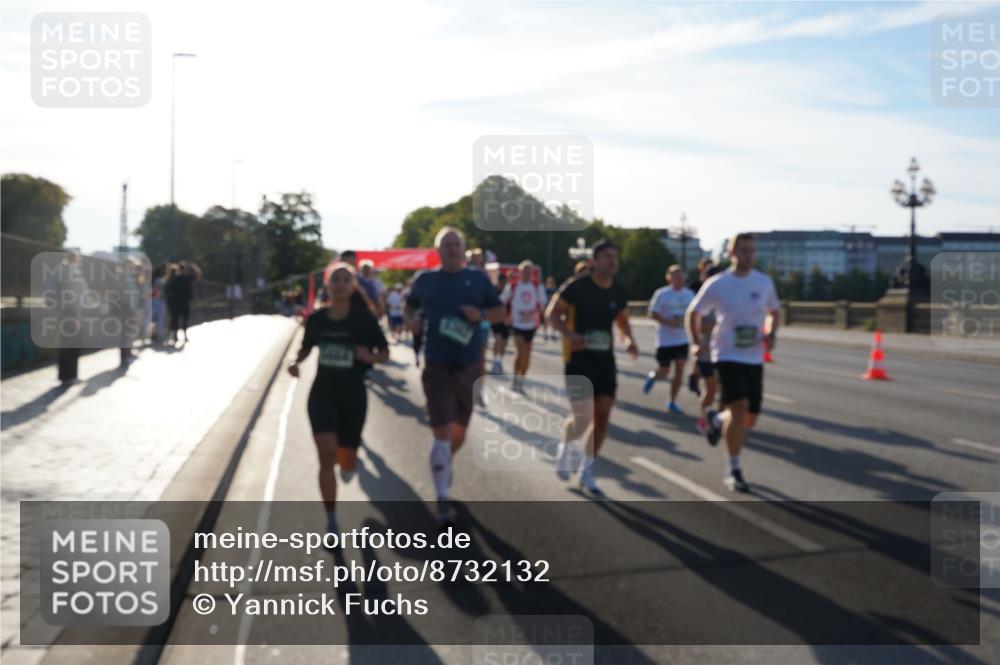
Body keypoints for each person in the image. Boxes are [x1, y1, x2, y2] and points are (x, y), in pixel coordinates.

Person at [405, 227, 504, 524]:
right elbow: (409, 306)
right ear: (438, 251)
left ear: (462, 250)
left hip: (469, 367)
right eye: (446, 245)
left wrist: (481, 316)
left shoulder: (478, 279)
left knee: (459, 432)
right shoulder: (425, 280)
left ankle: (444, 462)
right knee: (443, 432)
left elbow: (500, 313)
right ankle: (442, 497)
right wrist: (412, 321)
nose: (451, 249)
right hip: (437, 367)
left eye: (456, 244)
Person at [288, 262, 389, 536]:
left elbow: (384, 352)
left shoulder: (363, 320)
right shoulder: (317, 319)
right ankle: (331, 520)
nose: (340, 284)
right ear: (328, 285)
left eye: (346, 279)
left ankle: (349, 464)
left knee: (345, 461)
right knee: (326, 457)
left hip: (353, 397)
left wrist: (369, 357)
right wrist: (295, 362)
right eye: (335, 279)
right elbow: (305, 348)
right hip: (322, 395)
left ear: (352, 285)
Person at [686, 233, 780, 493]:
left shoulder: (763, 282)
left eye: (752, 250)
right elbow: (693, 312)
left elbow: (774, 311)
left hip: (754, 355)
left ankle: (717, 420)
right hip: (726, 354)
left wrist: (771, 333)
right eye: (744, 250)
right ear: (732, 254)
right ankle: (734, 469)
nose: (749, 255)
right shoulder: (718, 284)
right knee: (738, 409)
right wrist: (695, 342)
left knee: (750, 417)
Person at [546, 240, 638, 498]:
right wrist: (568, 335)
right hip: (579, 360)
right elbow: (552, 314)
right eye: (606, 256)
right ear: (594, 261)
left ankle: (586, 471)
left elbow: (622, 321)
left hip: (605, 361)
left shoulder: (618, 291)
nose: (612, 261)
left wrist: (629, 340)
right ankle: (565, 446)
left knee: (603, 415)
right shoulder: (577, 287)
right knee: (582, 417)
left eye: (615, 256)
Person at [642, 265, 695, 414]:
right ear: (669, 278)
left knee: (680, 370)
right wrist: (669, 322)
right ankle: (653, 377)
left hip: (682, 340)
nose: (679, 278)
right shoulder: (662, 294)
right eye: (675, 276)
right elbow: (652, 314)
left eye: (681, 276)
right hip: (665, 340)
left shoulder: (689, 294)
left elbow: (695, 313)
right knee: (665, 371)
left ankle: (672, 401)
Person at [502, 260, 547, 392]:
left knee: (526, 356)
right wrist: (504, 316)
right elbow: (502, 300)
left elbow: (543, 303)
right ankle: (516, 378)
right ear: (520, 272)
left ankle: (521, 380)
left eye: (529, 271)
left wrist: (540, 316)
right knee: (521, 352)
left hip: (531, 326)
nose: (527, 273)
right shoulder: (513, 286)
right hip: (517, 324)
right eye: (525, 271)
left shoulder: (537, 286)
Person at [693, 265, 723, 433]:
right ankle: (703, 419)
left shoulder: (728, 299)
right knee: (711, 390)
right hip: (705, 352)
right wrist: (720, 323)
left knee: (723, 391)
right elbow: (697, 325)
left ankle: (717, 421)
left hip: (724, 352)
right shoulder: (702, 300)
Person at [687, 257, 716, 395]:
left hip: (715, 328)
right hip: (701, 325)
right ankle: (695, 378)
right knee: (701, 355)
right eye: (708, 268)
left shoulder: (718, 285)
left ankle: (700, 381)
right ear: (701, 269)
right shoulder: (694, 287)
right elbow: (691, 312)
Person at [165, 261, 201, 343]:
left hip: (176, 302)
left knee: (176, 319)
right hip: (183, 302)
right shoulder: (186, 278)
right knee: (184, 319)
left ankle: (176, 336)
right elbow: (198, 275)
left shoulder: (174, 278)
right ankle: (182, 336)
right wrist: (194, 266)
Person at [489, 272, 511, 375]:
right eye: (501, 282)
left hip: (506, 321)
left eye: (504, 282)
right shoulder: (493, 291)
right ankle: (495, 362)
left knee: (504, 343)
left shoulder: (509, 291)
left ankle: (499, 361)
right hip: (496, 320)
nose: (502, 284)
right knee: (498, 340)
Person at [542, 275, 558, 341]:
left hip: (553, 307)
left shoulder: (555, 290)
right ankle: (545, 334)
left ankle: (553, 334)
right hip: (546, 307)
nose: (550, 283)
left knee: (554, 321)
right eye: (549, 282)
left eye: (551, 282)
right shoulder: (545, 290)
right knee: (546, 321)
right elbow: (543, 299)